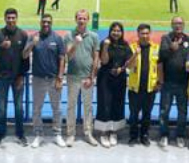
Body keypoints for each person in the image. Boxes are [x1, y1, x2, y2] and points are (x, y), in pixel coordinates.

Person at [23, 13, 66, 148]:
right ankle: (38, 134)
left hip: (53, 79)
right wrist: (32, 45)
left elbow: (62, 59)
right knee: (37, 109)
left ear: (51, 23)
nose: (46, 24)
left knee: (57, 109)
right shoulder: (33, 37)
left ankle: (57, 134)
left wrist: (60, 77)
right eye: (44, 22)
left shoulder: (57, 38)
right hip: (38, 79)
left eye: (48, 22)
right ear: (40, 23)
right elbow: (24, 55)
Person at [0, 8, 28, 148]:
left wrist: (21, 75)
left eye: (13, 17)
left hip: (17, 78)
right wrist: (2, 46)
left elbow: (26, 58)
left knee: (19, 108)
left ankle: (20, 134)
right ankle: (0, 135)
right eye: (8, 18)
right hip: (2, 77)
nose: (11, 20)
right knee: (1, 108)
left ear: (17, 18)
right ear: (5, 18)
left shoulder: (23, 35)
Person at [158, 16, 189, 148]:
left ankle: (180, 135)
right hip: (168, 83)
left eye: (180, 23)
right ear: (171, 25)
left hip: (183, 83)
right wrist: (171, 49)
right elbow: (161, 57)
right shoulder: (166, 38)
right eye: (175, 23)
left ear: (184, 25)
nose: (178, 26)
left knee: (182, 111)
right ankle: (163, 135)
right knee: (164, 110)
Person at [64, 9, 100, 147]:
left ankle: (88, 133)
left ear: (88, 20)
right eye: (79, 18)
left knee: (88, 107)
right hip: (73, 76)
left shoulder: (94, 37)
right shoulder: (69, 36)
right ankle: (70, 134)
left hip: (87, 78)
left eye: (84, 18)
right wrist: (76, 43)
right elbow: (68, 56)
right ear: (75, 19)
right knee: (71, 106)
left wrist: (92, 77)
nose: (81, 20)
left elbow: (95, 58)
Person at [96, 22, 134, 148]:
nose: (116, 33)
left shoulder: (125, 45)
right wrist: (106, 47)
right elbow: (104, 61)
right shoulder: (105, 43)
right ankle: (104, 132)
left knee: (117, 104)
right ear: (110, 31)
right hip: (105, 77)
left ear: (122, 32)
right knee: (104, 104)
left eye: (118, 30)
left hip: (119, 78)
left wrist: (122, 69)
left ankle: (113, 131)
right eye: (114, 30)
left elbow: (128, 62)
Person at [128, 24, 160, 147]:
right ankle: (133, 136)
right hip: (134, 87)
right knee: (133, 114)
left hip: (150, 88)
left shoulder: (156, 48)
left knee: (147, 114)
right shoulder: (131, 47)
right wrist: (135, 54)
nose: (145, 36)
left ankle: (144, 136)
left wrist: (159, 82)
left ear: (150, 34)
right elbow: (129, 66)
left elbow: (159, 66)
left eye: (147, 33)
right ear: (138, 34)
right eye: (142, 33)